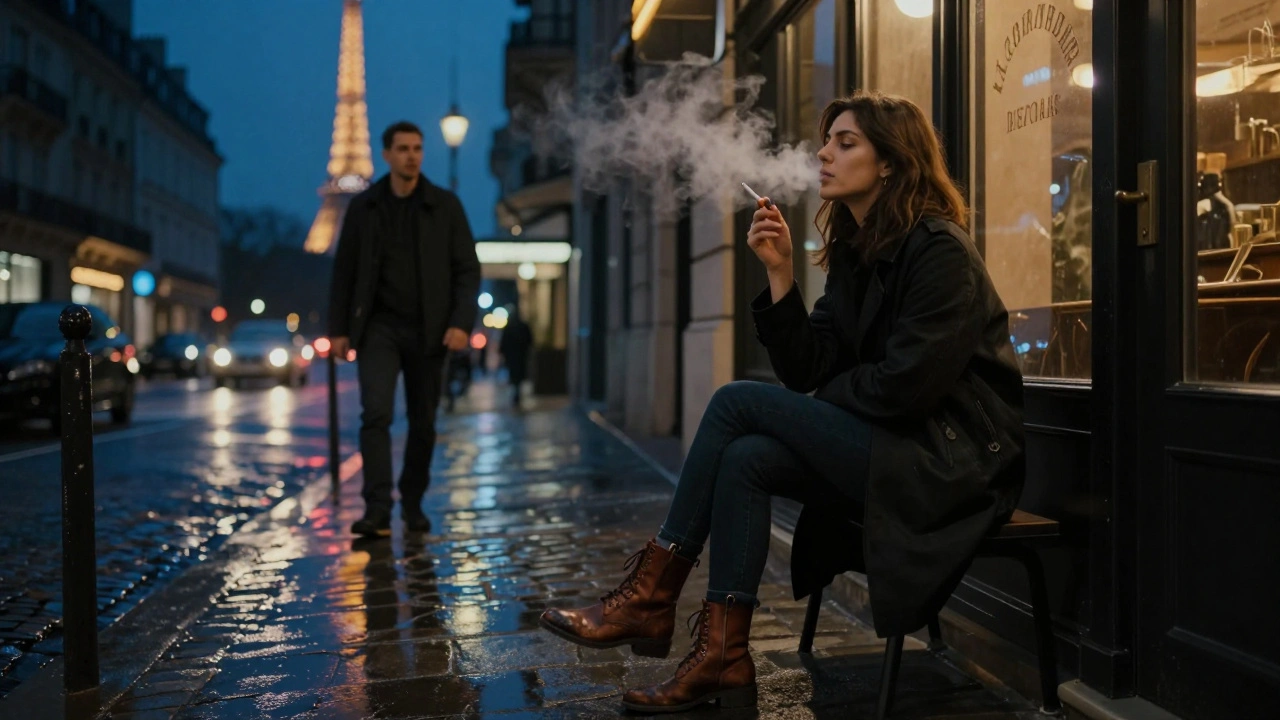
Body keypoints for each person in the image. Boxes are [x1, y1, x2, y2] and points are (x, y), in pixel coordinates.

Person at [538, 90, 1025, 713]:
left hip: (950, 464)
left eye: (845, 143)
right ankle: (722, 658)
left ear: (891, 163)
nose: (823, 152)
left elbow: (906, 390)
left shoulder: (940, 252)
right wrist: (781, 275)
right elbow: (808, 370)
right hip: (896, 446)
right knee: (745, 457)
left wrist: (832, 397)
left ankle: (653, 594)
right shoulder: (856, 251)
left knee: (738, 401)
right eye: (827, 141)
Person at [328, 121, 481, 538]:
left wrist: (459, 323)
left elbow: (467, 270)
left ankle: (412, 502)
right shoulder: (364, 207)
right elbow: (343, 271)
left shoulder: (445, 206)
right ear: (387, 154)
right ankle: (377, 507)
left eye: (417, 148)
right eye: (403, 148)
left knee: (423, 421)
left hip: (430, 330)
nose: (411, 155)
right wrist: (339, 329)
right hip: (378, 328)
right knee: (375, 414)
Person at [498, 307, 533, 407]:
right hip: (519, 355)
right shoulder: (522, 326)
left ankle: (516, 392)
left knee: (514, 374)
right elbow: (529, 340)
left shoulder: (510, 327)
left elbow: (503, 342)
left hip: (514, 356)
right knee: (518, 374)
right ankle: (517, 392)